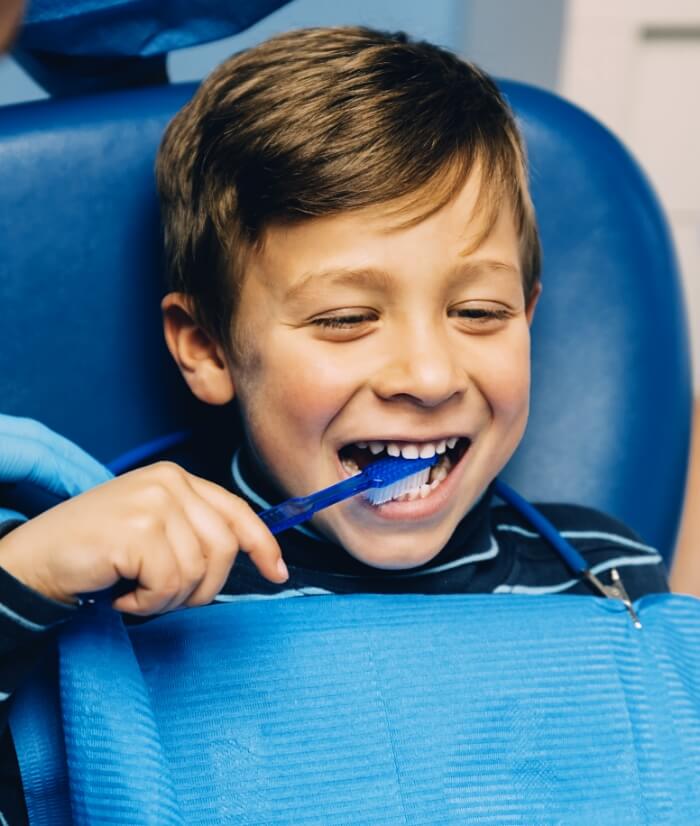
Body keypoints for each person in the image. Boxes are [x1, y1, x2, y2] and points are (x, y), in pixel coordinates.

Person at [0, 26, 669, 824]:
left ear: (529, 315)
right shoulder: (110, 597)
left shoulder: (610, 574)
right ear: (208, 348)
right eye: (348, 318)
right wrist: (26, 580)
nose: (428, 377)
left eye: (479, 312)